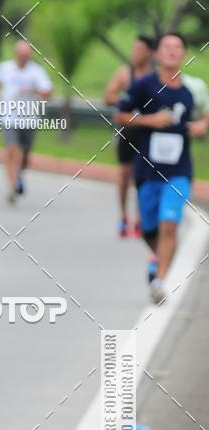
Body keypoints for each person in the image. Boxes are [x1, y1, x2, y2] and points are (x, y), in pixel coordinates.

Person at [115, 33, 209, 305]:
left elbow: (205, 115)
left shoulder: (193, 88)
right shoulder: (143, 86)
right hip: (147, 169)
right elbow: (120, 115)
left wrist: (202, 126)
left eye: (177, 47)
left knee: (169, 225)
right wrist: (150, 120)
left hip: (179, 170)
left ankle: (159, 281)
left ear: (183, 54)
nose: (172, 51)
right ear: (157, 54)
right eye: (166, 47)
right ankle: (159, 258)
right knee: (149, 229)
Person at [0, 40, 52, 202]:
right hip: (9, 117)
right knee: (10, 150)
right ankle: (12, 186)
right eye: (21, 54)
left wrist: (32, 89)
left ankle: (19, 174)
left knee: (25, 155)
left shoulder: (36, 72)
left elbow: (47, 93)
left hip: (29, 119)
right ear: (16, 54)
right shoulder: (5, 68)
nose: (23, 58)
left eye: (26, 55)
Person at [105, 35, 155, 238]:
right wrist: (127, 100)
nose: (135, 53)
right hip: (126, 129)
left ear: (150, 53)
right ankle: (123, 215)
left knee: (142, 175)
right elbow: (108, 96)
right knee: (125, 174)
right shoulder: (124, 73)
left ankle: (140, 218)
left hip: (147, 131)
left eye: (139, 49)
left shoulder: (155, 77)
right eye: (133, 49)